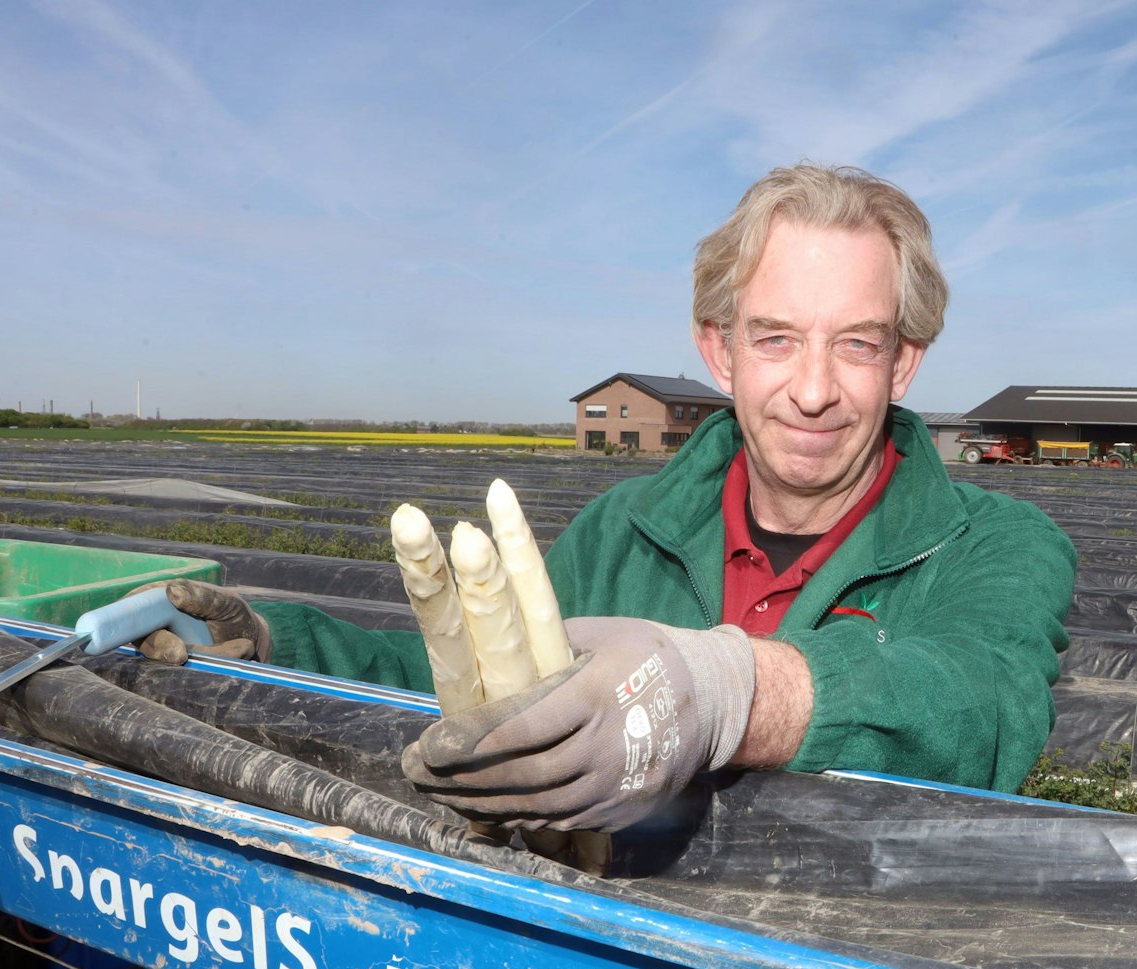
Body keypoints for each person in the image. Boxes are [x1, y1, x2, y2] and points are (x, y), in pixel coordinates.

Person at [148, 163, 1078, 832]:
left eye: (858, 344)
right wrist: (282, 645)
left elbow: (979, 702)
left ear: (905, 360)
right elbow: (481, 684)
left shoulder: (994, 544)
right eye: (776, 339)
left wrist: (726, 692)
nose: (812, 388)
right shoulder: (620, 532)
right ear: (718, 349)